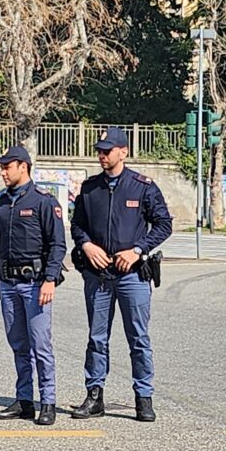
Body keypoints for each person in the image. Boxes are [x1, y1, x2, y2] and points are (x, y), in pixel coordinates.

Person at [70, 127, 173, 422]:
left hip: (132, 275)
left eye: (108, 150)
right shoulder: (90, 189)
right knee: (97, 338)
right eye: (99, 151)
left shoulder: (143, 187)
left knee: (138, 337)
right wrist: (87, 245)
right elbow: (77, 225)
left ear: (123, 152)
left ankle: (143, 397)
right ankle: (94, 396)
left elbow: (164, 224)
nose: (102, 156)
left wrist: (138, 249)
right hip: (99, 274)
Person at [0, 145, 66, 426]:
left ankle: (48, 402)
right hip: (7, 284)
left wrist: (50, 279)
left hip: (35, 285)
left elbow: (57, 245)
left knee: (41, 345)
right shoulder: (2, 204)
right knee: (19, 345)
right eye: (1, 168)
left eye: (7, 167)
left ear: (23, 167)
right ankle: (24, 400)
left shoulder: (43, 201)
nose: (3, 172)